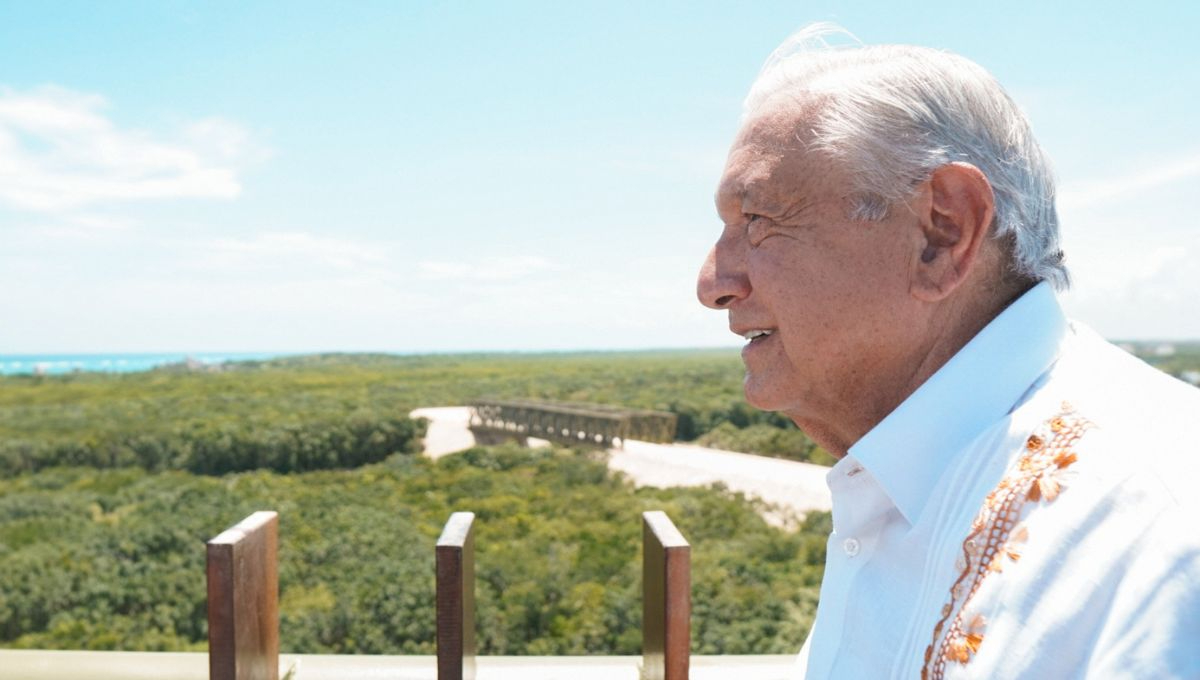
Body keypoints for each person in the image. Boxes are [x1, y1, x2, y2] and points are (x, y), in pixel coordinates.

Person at [696, 24, 1200, 679]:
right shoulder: (897, 483)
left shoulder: (1157, 537)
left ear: (943, 233)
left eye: (757, 220)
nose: (712, 283)